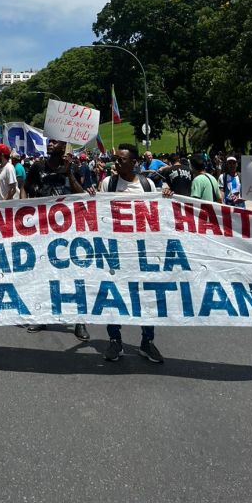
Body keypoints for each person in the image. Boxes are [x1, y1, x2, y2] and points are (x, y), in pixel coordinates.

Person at [96, 143, 162, 363]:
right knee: (113, 296)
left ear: (134, 162)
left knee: (146, 297)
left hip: (142, 253)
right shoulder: (108, 183)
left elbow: (159, 215)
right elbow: (99, 214)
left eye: (121, 159)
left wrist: (167, 197)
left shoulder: (147, 184)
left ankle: (147, 342)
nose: (116, 162)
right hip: (115, 253)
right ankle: (115, 341)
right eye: (116, 159)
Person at [24, 139, 89, 339]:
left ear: (64, 147)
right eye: (49, 142)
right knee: (44, 273)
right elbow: (26, 187)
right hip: (43, 228)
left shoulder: (73, 167)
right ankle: (42, 316)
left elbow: (82, 194)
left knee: (73, 275)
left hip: (68, 229)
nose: (50, 144)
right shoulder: (37, 166)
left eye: (55, 142)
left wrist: (69, 173)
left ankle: (79, 321)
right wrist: (25, 210)